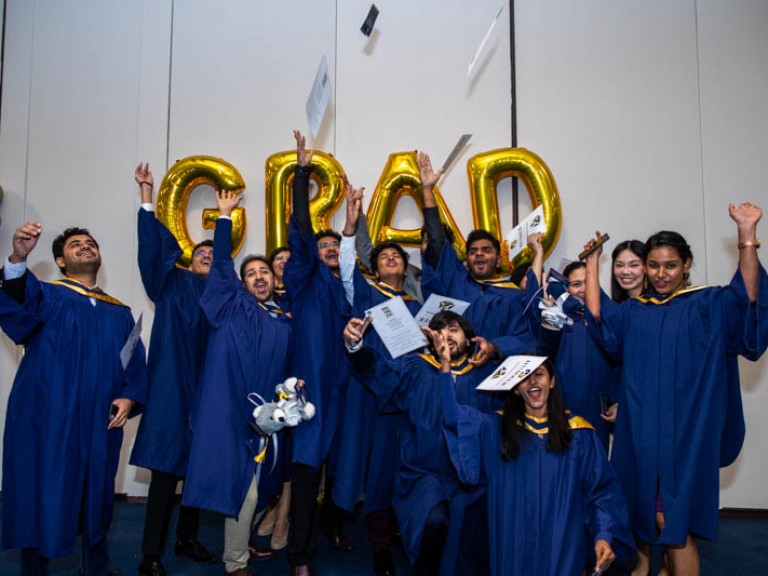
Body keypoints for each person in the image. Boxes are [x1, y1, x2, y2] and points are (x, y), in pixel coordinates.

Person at [584, 203, 767, 575]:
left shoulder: (706, 304)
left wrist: (746, 235)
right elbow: (600, 314)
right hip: (644, 436)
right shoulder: (637, 312)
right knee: (646, 521)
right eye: (653, 265)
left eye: (670, 265)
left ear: (686, 265)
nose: (661, 273)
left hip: (686, 436)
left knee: (672, 522)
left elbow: (747, 296)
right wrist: (592, 262)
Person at [0, 221, 147, 576]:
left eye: (90, 243)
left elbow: (134, 362)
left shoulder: (120, 312)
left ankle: (96, 566)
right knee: (45, 487)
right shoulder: (47, 296)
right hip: (50, 416)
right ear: (60, 261)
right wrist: (18, 257)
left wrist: (129, 397)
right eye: (75, 244)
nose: (85, 246)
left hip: (100, 420)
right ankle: (34, 569)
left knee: (97, 494)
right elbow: (16, 299)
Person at [439, 354, 635, 575]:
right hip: (513, 546)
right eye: (525, 377)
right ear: (515, 388)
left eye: (539, 375)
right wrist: (446, 368)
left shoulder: (579, 434)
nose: (533, 382)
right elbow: (454, 417)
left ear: (551, 382)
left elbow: (601, 492)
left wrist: (603, 535)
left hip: (563, 548)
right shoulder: (495, 428)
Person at [181, 190, 292, 576]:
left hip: (266, 418)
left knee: (259, 486)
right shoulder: (231, 306)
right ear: (242, 283)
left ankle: (240, 547)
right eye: (252, 273)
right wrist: (224, 217)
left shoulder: (283, 317)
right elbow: (223, 266)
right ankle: (235, 563)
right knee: (243, 488)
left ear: (275, 280)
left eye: (265, 272)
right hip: (229, 411)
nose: (259, 277)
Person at [343, 311, 503, 576]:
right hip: (423, 474)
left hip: (472, 477)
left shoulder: (484, 373)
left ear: (469, 335)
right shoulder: (417, 368)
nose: (447, 336)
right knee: (434, 522)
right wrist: (356, 346)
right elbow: (379, 371)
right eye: (439, 331)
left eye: (454, 329)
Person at [129, 163, 217, 576]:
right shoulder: (171, 284)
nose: (206, 256)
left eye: (213, 254)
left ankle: (186, 537)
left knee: (198, 473)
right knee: (165, 475)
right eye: (200, 252)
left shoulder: (225, 295)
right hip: (172, 388)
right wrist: (147, 200)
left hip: (209, 392)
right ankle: (150, 555)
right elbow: (152, 252)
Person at [333, 181, 422, 575]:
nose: (389, 259)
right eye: (382, 255)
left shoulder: (421, 306)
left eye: (395, 256)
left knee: (406, 469)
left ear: (405, 267)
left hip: (410, 398)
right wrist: (350, 226)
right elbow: (348, 271)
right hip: (372, 393)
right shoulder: (368, 294)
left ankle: (406, 535)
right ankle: (380, 546)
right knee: (375, 471)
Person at [282, 131, 353, 576]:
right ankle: (299, 558)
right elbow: (302, 232)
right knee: (307, 473)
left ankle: (328, 534)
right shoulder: (305, 280)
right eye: (323, 247)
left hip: (342, 390)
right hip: (311, 392)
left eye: (335, 248)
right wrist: (302, 173)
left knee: (334, 470)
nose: (328, 250)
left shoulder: (347, 291)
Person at [417, 151, 541, 359]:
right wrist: (427, 190)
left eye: (486, 250)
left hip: (494, 376)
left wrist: (494, 347)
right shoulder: (457, 281)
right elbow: (437, 241)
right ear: (467, 259)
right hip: (455, 369)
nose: (479, 255)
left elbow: (526, 337)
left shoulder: (514, 296)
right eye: (473, 252)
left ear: (499, 259)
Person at [543, 261, 615, 449]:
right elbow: (544, 351)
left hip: (598, 406)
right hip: (565, 403)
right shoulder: (559, 319)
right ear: (566, 289)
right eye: (576, 284)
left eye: (587, 282)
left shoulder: (607, 319)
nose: (583, 289)